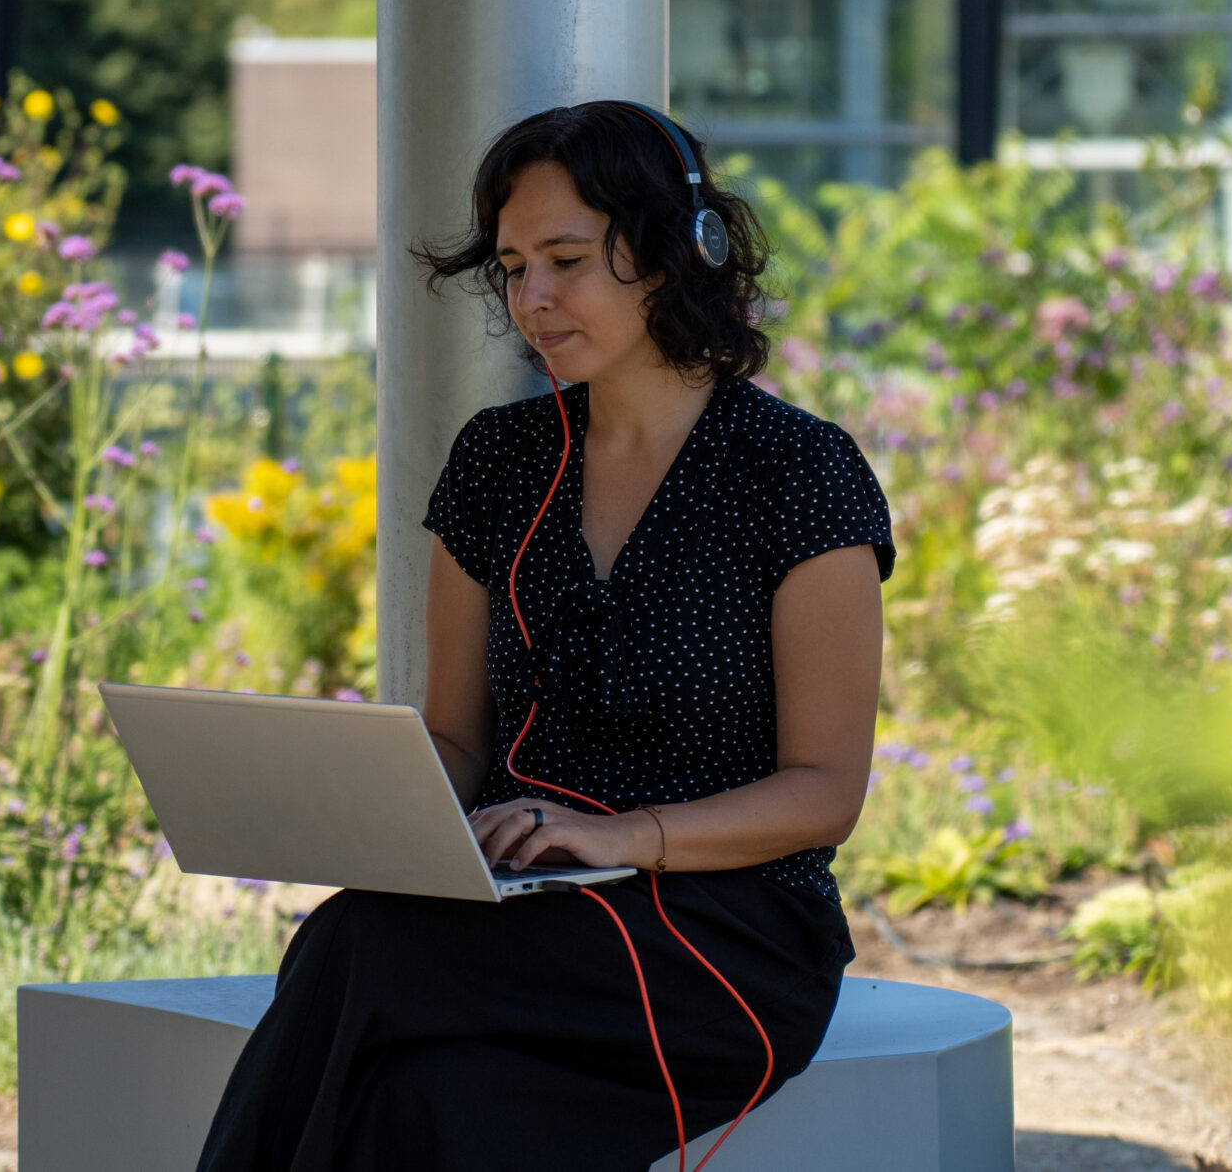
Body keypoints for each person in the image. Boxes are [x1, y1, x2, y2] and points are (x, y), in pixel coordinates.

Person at [194, 101, 895, 1172]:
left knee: (356, 941)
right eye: (515, 268)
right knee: (423, 1102)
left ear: (677, 250)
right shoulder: (497, 460)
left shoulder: (797, 472)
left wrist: (621, 836)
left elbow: (823, 793)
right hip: (523, 914)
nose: (532, 300)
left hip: (723, 936)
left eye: (565, 260)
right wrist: (355, 808)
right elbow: (457, 741)